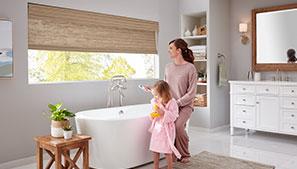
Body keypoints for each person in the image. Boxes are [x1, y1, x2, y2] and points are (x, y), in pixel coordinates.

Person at [145, 38, 197, 163]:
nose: (168, 51)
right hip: (169, 105)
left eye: (171, 48)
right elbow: (164, 87)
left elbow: (191, 93)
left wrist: (177, 103)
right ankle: (172, 151)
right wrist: (153, 89)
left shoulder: (190, 68)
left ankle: (185, 154)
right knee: (170, 125)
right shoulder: (168, 67)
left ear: (178, 50)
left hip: (185, 106)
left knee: (178, 126)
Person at [148, 80, 181, 169]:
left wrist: (163, 113)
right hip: (157, 129)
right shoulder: (157, 101)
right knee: (155, 150)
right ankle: (156, 167)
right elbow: (154, 112)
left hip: (167, 130)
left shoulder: (172, 102)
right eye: (155, 95)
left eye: (157, 95)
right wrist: (153, 115)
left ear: (164, 93)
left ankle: (170, 167)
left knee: (167, 151)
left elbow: (174, 116)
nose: (156, 97)